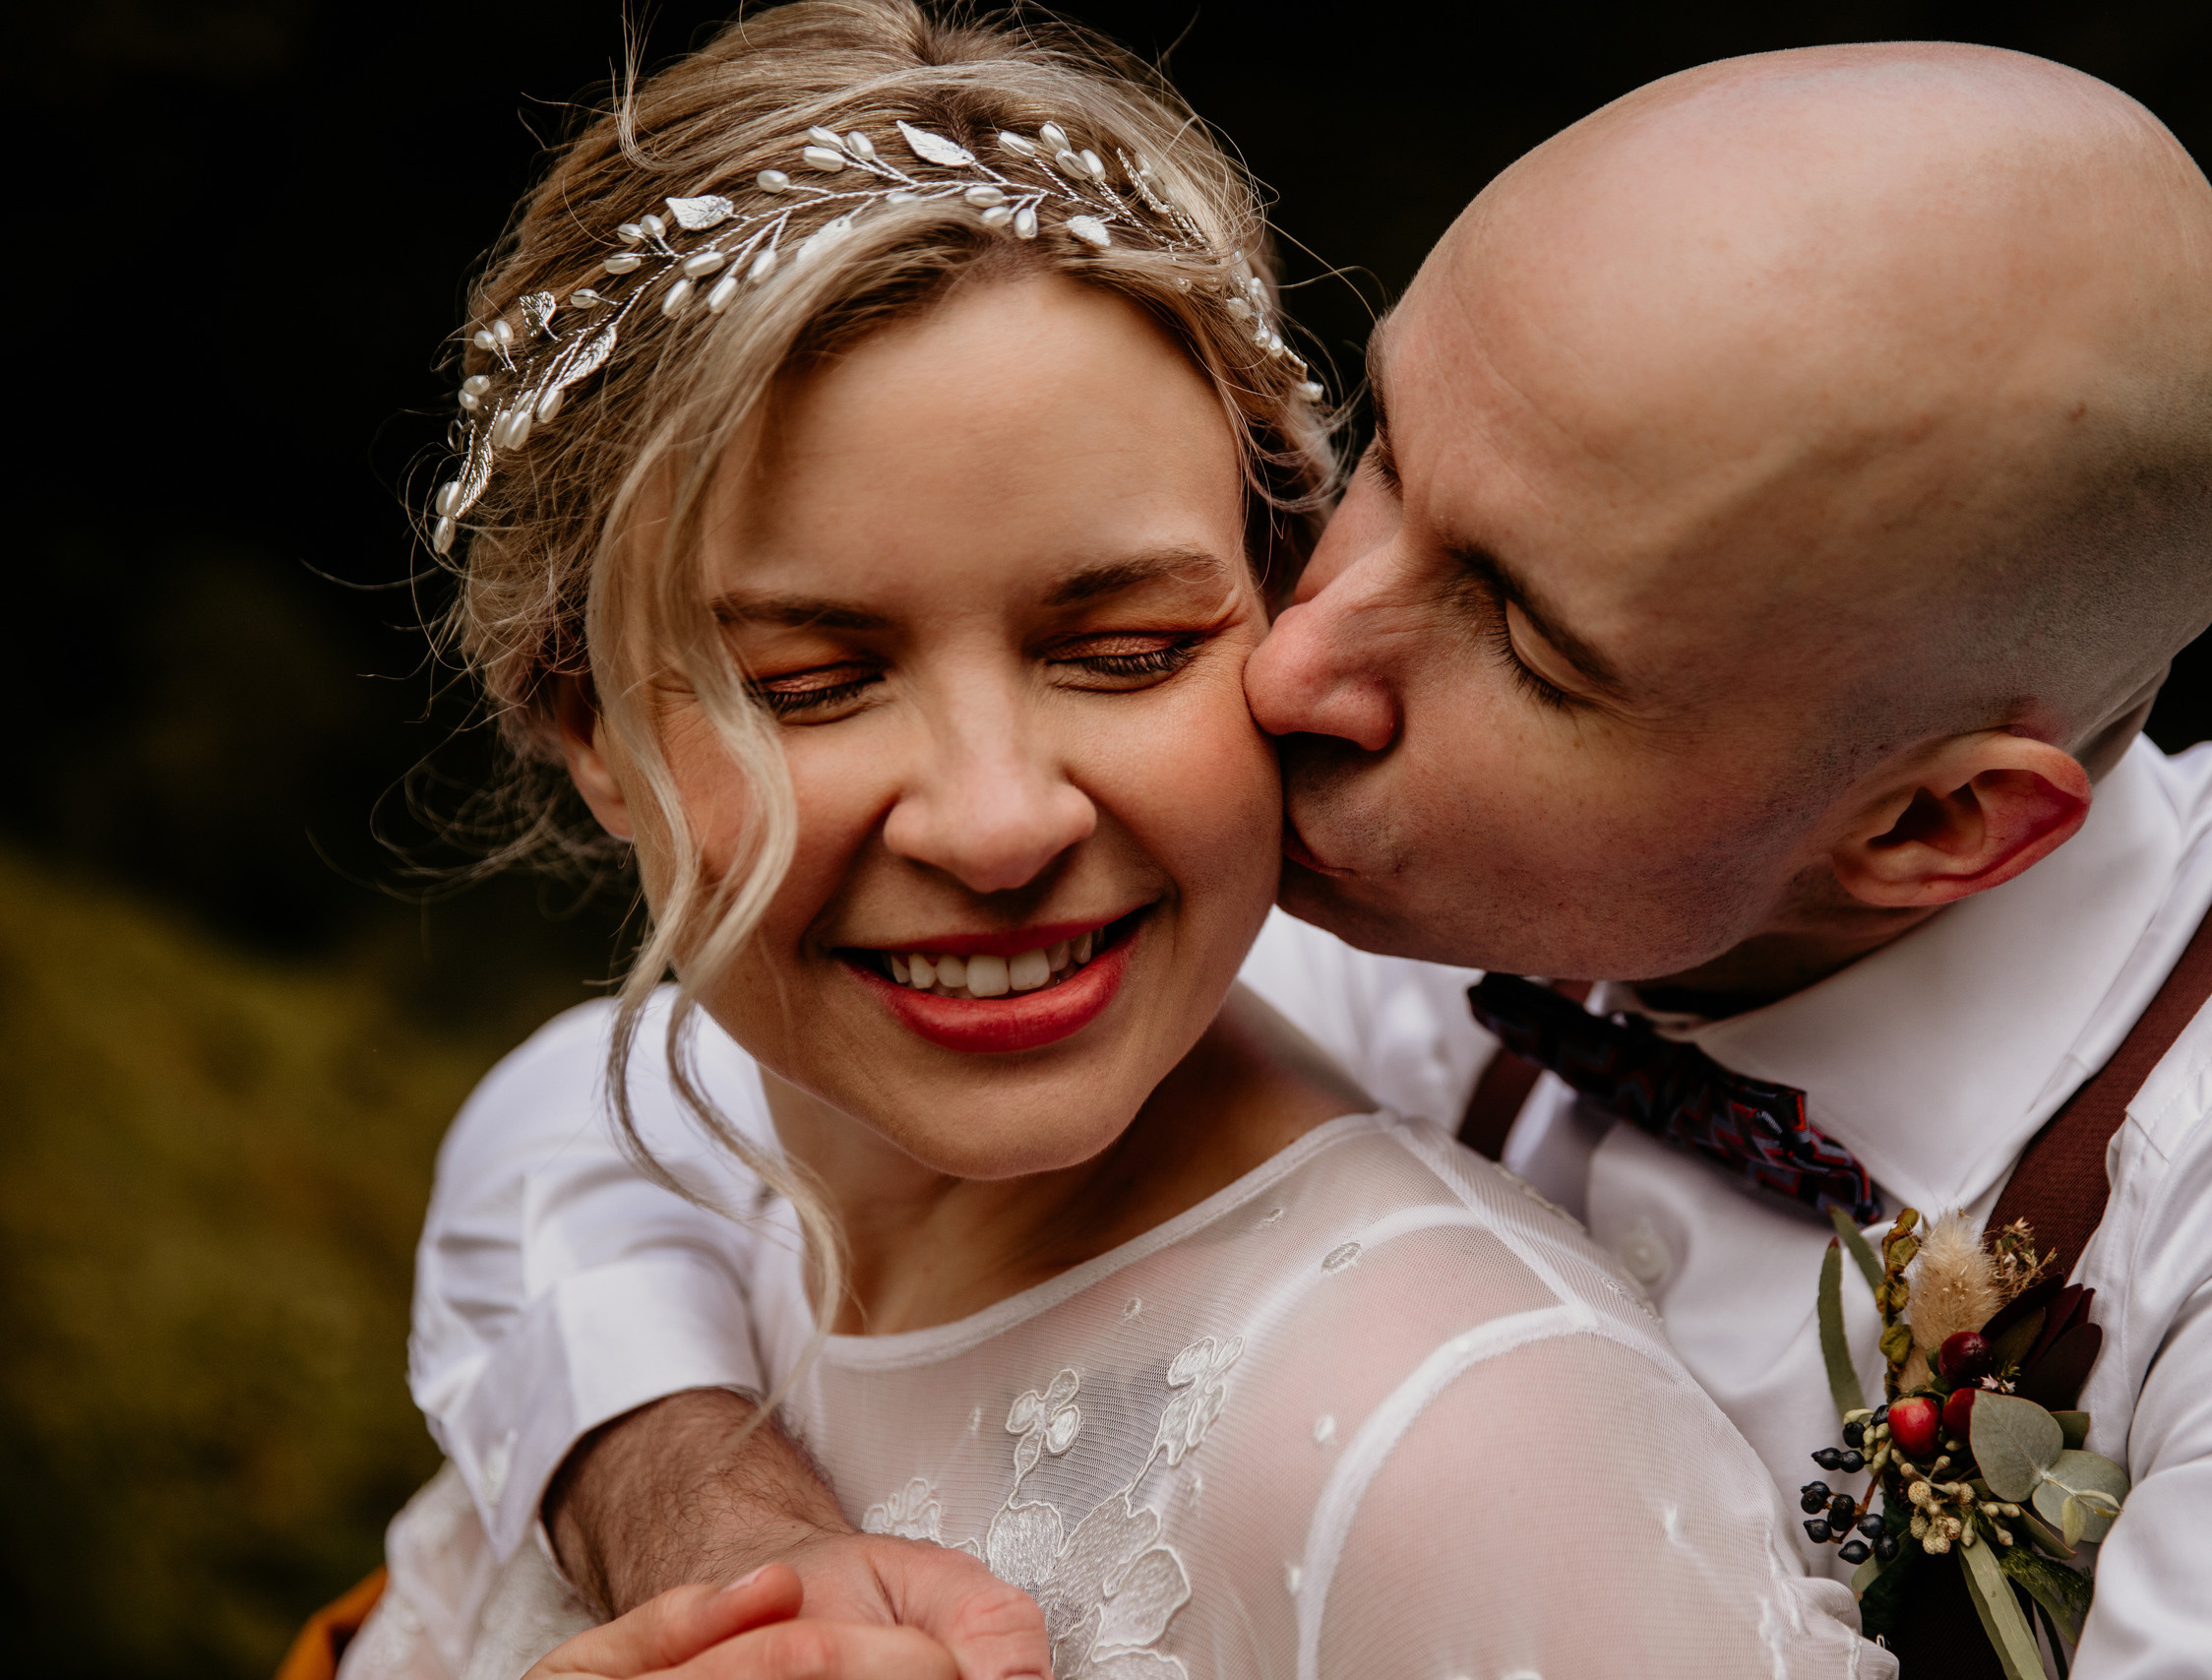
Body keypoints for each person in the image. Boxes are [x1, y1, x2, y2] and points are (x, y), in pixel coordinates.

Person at [397, 19, 2212, 1680]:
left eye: (1513, 626)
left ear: (1934, 824)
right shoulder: (1398, 869)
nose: (1292, 648)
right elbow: (633, 1115)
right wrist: (709, 1519)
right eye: (1380, 453)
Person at [337, 5, 1894, 1678]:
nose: (1001, 821)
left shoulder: (1459, 1432)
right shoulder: (687, 1198)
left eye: (1129, 651)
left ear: (1284, 616)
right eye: (809, 684)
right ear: (588, 731)